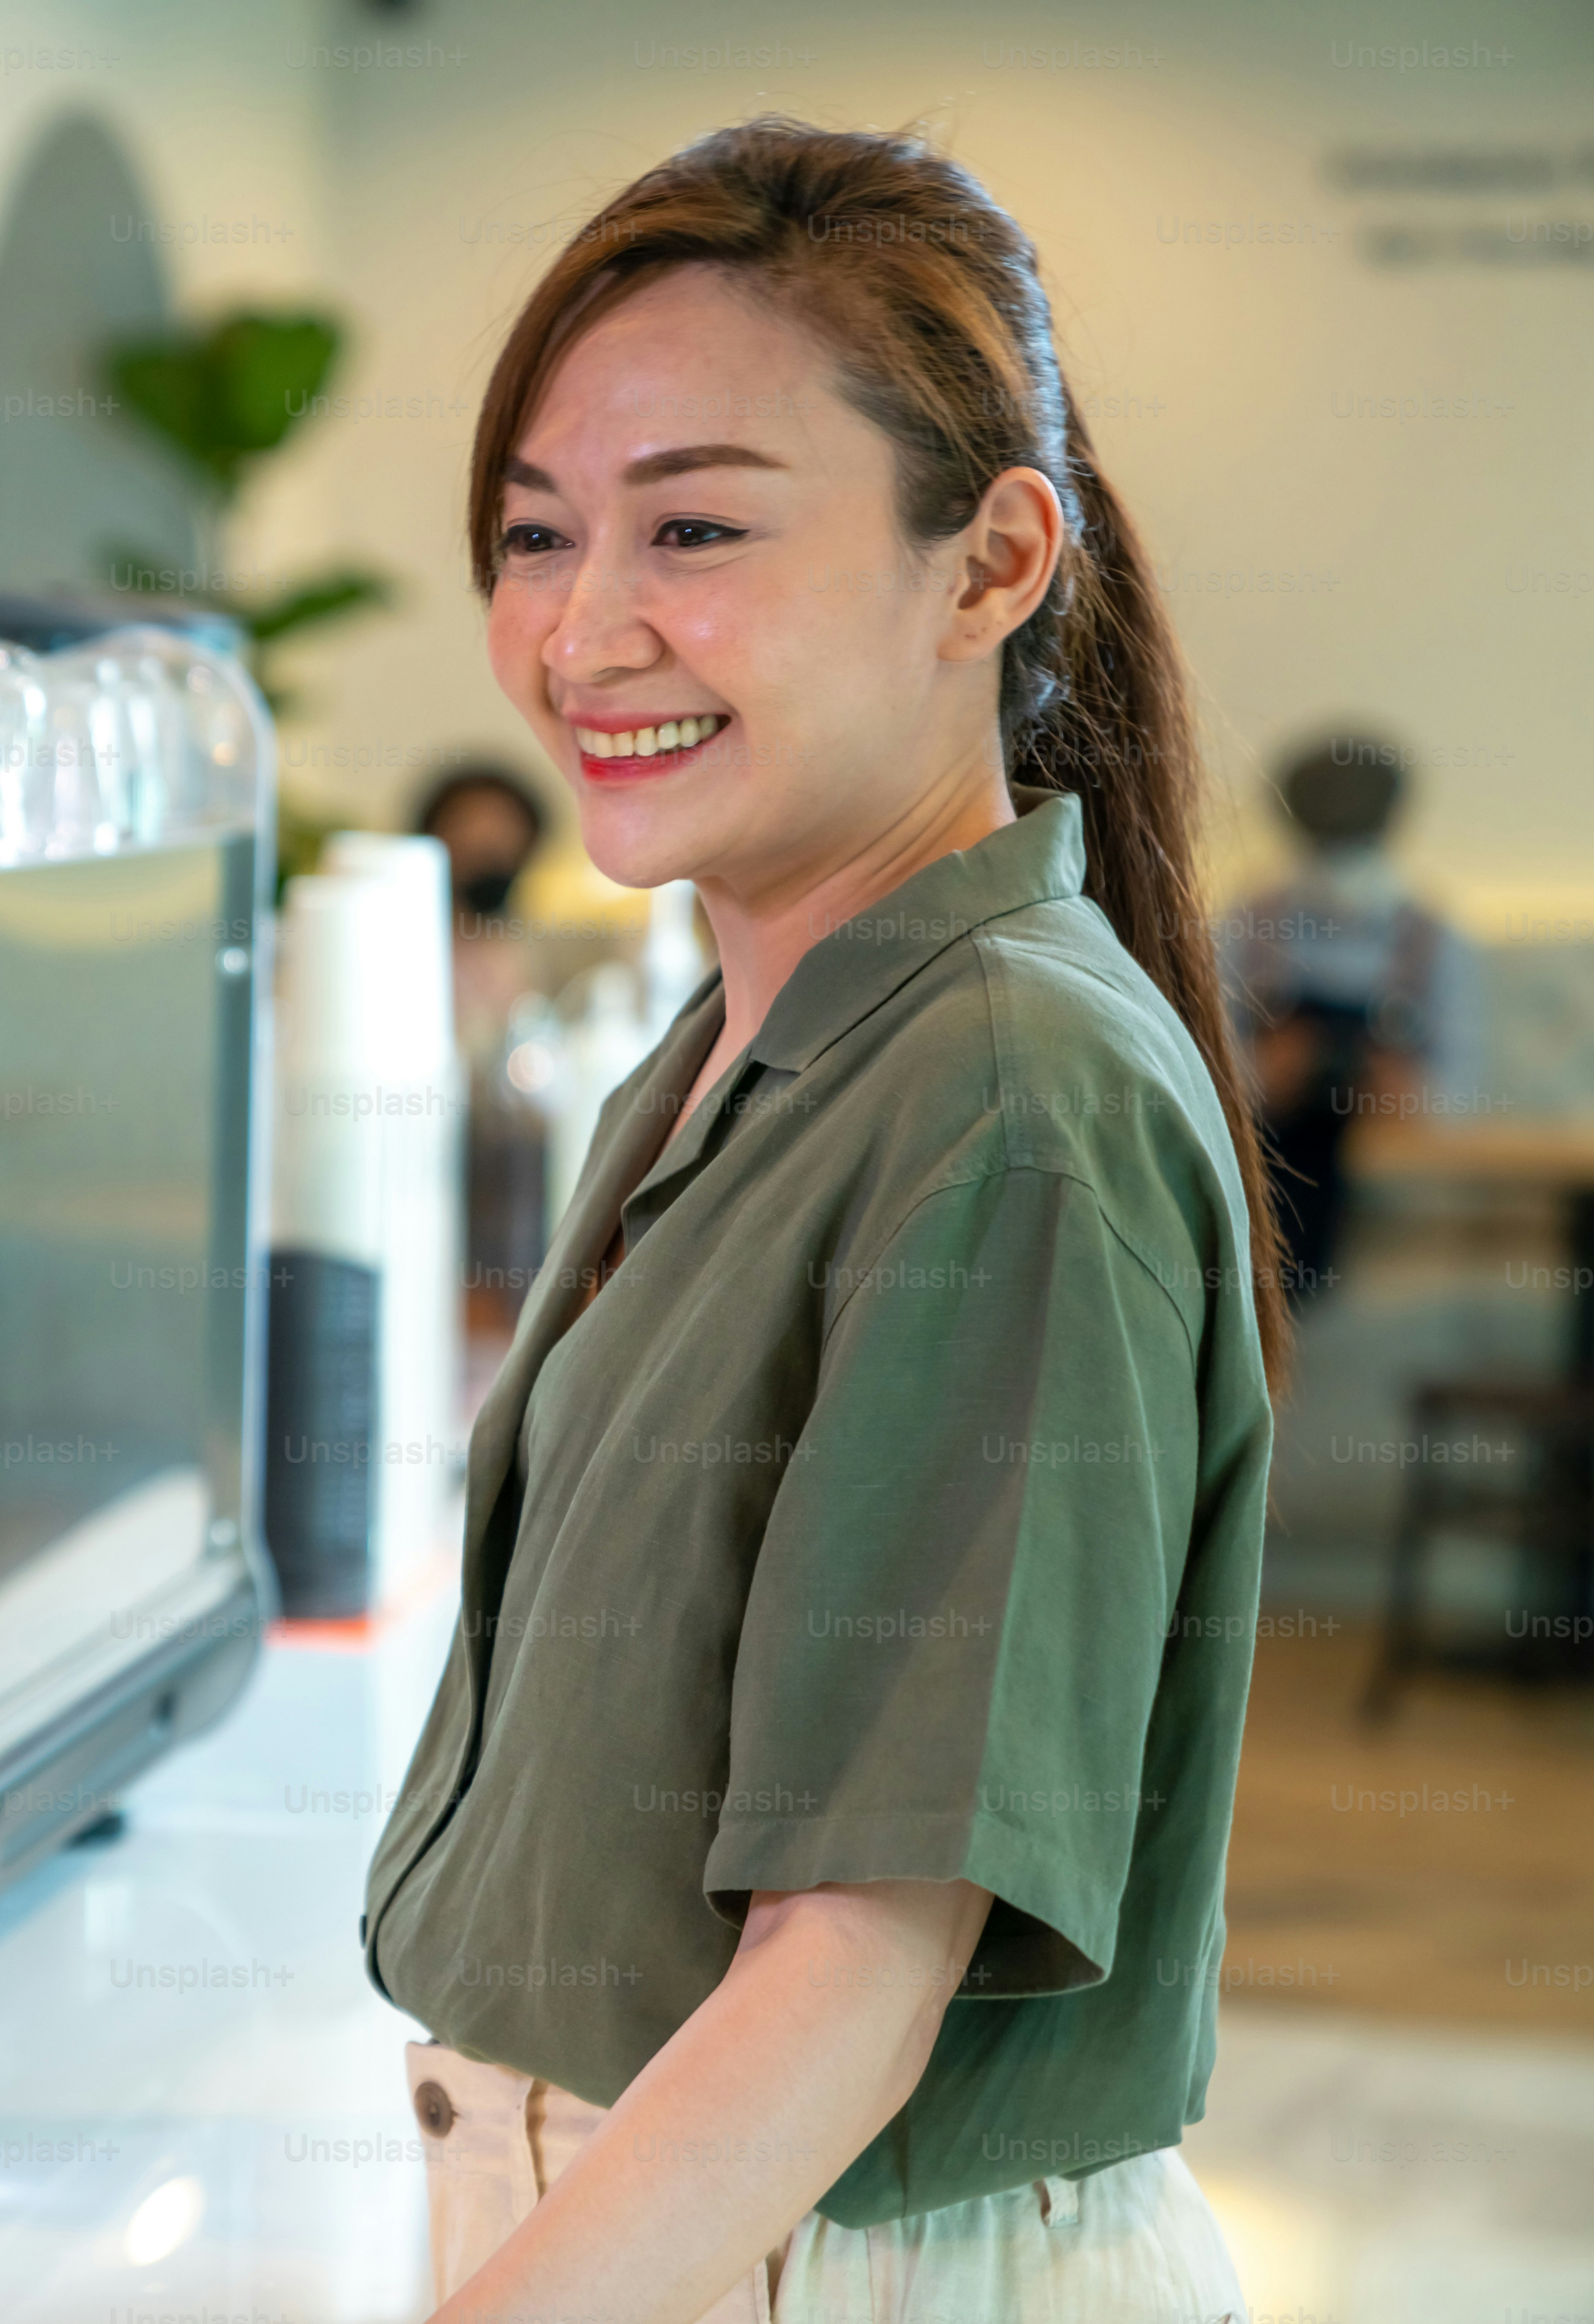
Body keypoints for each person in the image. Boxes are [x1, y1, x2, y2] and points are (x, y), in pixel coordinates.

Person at [359, 119, 1286, 2321]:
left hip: (815, 2249)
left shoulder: (1005, 1095)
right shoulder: (740, 1045)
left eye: (695, 525)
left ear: (990, 562)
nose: (584, 630)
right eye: (533, 532)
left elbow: (851, 1968)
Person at [1222, 731, 1480, 1311]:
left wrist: (1404, 1094)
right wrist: (1268, 1072)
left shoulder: (1433, 939)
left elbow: (1462, 1091)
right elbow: (1200, 1071)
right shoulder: (1246, 924)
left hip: (1376, 1163)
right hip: (1273, 1154)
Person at [415, 756, 557, 1338]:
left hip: (509, 1212)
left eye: (503, 839)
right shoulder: (408, 955)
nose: (487, 852)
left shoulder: (537, 961)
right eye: (470, 835)